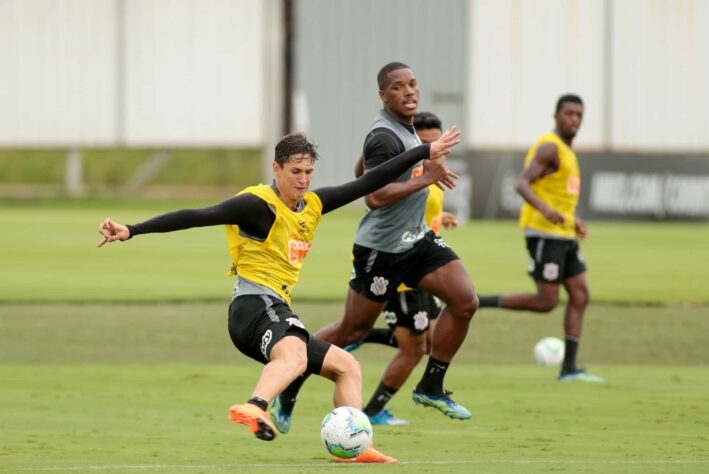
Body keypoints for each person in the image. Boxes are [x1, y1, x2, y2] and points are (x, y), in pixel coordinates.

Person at [97, 129, 462, 464]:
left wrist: (424, 151)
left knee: (346, 367)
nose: (303, 180)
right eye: (295, 172)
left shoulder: (314, 204)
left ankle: (355, 447)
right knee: (297, 354)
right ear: (277, 168)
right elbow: (195, 215)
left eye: (308, 172)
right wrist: (131, 229)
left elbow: (371, 180)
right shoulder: (258, 205)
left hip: (275, 309)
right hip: (252, 308)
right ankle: (256, 405)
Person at [272, 62, 479, 432]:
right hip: (381, 250)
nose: (410, 91)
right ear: (384, 96)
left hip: (416, 240)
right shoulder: (384, 135)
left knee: (465, 300)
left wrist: (416, 170)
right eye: (399, 87)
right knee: (351, 331)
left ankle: (431, 385)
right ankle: (290, 382)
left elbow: (361, 173)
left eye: (413, 84)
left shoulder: (405, 129)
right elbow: (374, 196)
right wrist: (424, 178)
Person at [477, 94, 603, 383]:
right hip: (544, 234)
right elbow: (521, 183)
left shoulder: (568, 153)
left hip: (564, 234)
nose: (574, 119)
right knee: (546, 301)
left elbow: (559, 195)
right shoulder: (550, 147)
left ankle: (569, 368)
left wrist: (574, 221)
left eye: (579, 114)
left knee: (581, 295)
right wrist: (546, 210)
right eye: (569, 113)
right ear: (556, 116)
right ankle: (478, 301)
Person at [346, 112, 460, 426]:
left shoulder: (434, 174)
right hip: (402, 271)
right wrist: (373, 156)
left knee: (422, 343)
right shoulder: (410, 170)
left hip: (420, 266)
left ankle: (365, 335)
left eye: (437, 144)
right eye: (424, 144)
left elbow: (419, 212)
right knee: (414, 348)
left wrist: (442, 217)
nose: (431, 149)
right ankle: (373, 410)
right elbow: (370, 186)